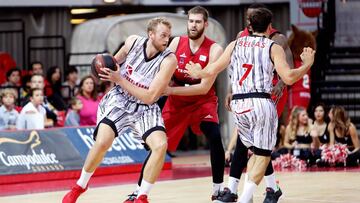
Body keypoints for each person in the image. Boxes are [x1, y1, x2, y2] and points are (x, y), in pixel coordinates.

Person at [185, 7, 315, 203]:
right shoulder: (274, 46)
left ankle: (254, 190)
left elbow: (213, 69)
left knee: (247, 146)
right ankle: (246, 198)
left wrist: (198, 72)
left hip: (239, 105)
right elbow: (288, 77)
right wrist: (306, 64)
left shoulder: (235, 44)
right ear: (269, 26)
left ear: (250, 25)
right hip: (261, 103)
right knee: (262, 154)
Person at [62, 17, 177, 203]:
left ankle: (141, 197)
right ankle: (80, 186)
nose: (167, 39)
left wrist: (120, 79)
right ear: (151, 34)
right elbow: (113, 62)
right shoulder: (132, 42)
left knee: (160, 146)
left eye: (169, 36)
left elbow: (150, 97)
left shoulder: (169, 60)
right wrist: (102, 68)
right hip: (120, 99)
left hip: (145, 107)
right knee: (103, 142)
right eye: (163, 35)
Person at [123, 6, 226, 202]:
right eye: (190, 21)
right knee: (157, 146)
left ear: (206, 24)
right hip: (177, 102)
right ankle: (138, 191)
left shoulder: (215, 49)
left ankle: (218, 189)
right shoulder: (177, 42)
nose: (193, 25)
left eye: (197, 22)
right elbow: (158, 67)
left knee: (214, 136)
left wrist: (169, 90)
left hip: (201, 101)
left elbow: (203, 88)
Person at [217, 3, 294, 203]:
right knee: (255, 144)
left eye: (250, 17)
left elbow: (289, 69)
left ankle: (234, 189)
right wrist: (231, 91)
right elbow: (236, 70)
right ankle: (270, 188)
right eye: (247, 16)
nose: (248, 20)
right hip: (246, 93)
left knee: (254, 145)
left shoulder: (277, 39)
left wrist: (278, 88)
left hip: (269, 94)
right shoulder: (241, 38)